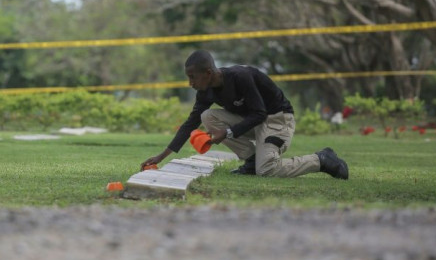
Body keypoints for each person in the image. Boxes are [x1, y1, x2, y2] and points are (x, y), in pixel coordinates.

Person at [141, 50, 349, 179]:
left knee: (267, 170)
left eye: (192, 77)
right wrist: (161, 156)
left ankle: (321, 160)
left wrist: (229, 132)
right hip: (255, 123)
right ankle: (251, 161)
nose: (190, 83)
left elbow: (260, 113)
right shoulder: (206, 92)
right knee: (206, 116)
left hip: (277, 119)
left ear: (208, 73)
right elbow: (190, 124)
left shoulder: (241, 76)